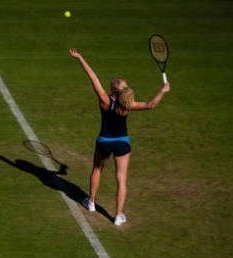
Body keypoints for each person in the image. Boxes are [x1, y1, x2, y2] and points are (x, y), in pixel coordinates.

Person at [69, 48, 170, 226]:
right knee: (121, 178)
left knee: (97, 169)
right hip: (122, 143)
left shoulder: (104, 100)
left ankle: (91, 202)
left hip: (104, 142)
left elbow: (92, 77)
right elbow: (150, 105)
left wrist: (81, 59)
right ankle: (118, 216)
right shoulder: (128, 105)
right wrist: (162, 90)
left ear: (112, 90)